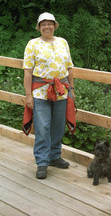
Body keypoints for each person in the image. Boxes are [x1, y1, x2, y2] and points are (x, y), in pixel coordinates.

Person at [23, 12, 76, 179]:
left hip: (61, 91)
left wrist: (72, 90)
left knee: (58, 126)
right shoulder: (33, 44)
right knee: (43, 126)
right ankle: (42, 161)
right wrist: (28, 95)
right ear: (39, 27)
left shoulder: (63, 42)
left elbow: (69, 68)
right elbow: (28, 71)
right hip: (40, 91)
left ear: (55, 26)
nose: (47, 26)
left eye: (50, 23)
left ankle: (54, 156)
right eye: (43, 24)